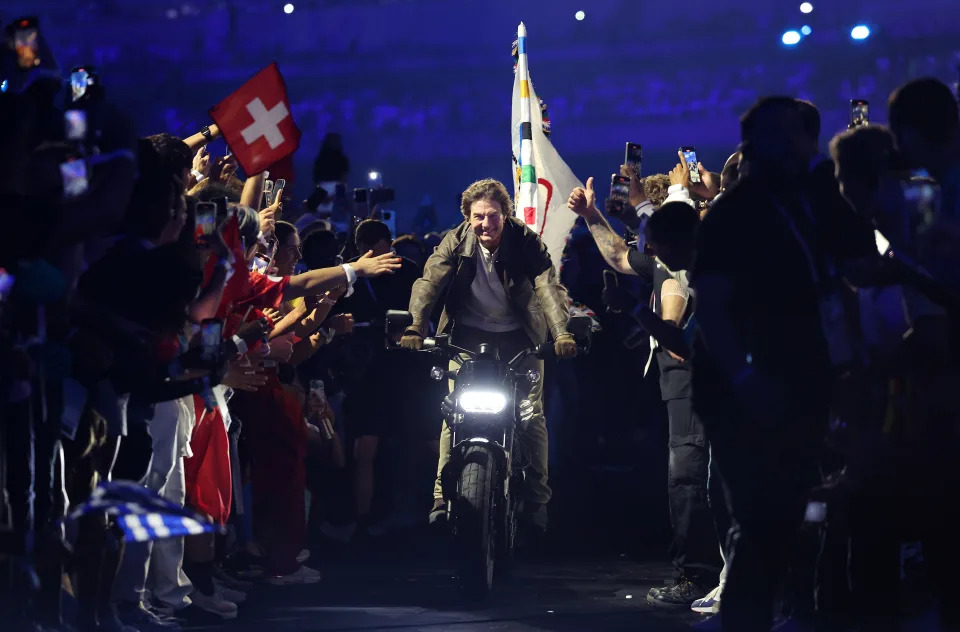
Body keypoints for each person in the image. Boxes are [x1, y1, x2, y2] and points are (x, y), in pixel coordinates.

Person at [691, 96, 848, 632]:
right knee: (760, 523)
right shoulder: (735, 215)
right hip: (748, 392)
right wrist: (745, 378)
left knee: (793, 519)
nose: (808, 145)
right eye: (797, 136)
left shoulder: (804, 202)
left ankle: (785, 613)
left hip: (802, 383)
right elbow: (711, 308)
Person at [567, 178, 721, 608]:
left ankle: (698, 576)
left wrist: (631, 308)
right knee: (692, 478)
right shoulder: (668, 260)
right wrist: (591, 216)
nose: (646, 249)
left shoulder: (684, 270)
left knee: (689, 479)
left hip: (694, 385)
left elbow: (677, 339)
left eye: (652, 242)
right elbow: (618, 254)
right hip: (682, 386)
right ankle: (709, 573)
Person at [399, 178, 577, 530]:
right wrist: (416, 326)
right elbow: (429, 282)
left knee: (531, 416)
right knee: (454, 413)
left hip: (520, 337)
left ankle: (537, 501)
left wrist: (562, 334)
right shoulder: (454, 241)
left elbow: (547, 287)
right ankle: (440, 496)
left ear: (505, 214)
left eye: (493, 215)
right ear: (467, 217)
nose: (485, 224)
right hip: (467, 337)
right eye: (478, 216)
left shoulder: (526, 242)